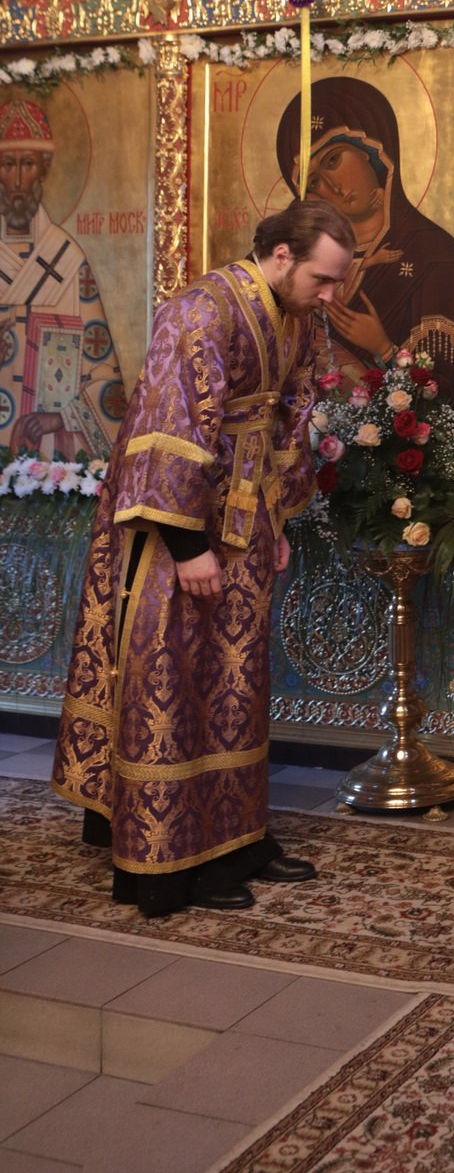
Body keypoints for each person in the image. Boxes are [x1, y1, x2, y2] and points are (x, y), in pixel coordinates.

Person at [50, 198, 355, 917]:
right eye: (322, 278)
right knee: (171, 677)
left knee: (234, 683)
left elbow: (289, 416)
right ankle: (164, 858)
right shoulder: (200, 312)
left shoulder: (294, 316)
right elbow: (168, 426)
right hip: (176, 533)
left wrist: (277, 516)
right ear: (281, 255)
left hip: (246, 523)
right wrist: (188, 547)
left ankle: (234, 841)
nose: (329, 296)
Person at [275, 76, 454, 418]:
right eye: (314, 181)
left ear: (375, 152)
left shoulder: (439, 261)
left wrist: (384, 348)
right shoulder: (295, 269)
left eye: (333, 160)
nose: (333, 187)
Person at [0, 96, 125, 458]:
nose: (18, 180)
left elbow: (108, 377)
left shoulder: (67, 261)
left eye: (28, 164)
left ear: (44, 169)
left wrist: (61, 417)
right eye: (8, 164)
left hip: (51, 458)